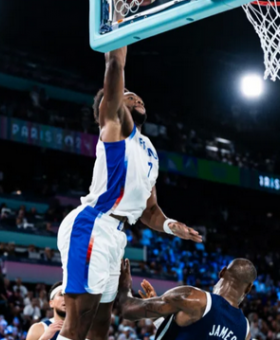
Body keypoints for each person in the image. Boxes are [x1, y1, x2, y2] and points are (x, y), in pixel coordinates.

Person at [56, 42, 202, 340]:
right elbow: (114, 68)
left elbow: (149, 211)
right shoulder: (115, 128)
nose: (136, 98)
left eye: (138, 96)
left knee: (99, 328)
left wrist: (173, 227)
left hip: (117, 235)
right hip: (93, 225)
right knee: (77, 326)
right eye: (128, 96)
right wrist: (118, 35)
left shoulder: (149, 150)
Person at [117, 258, 256, 340]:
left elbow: (127, 310)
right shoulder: (244, 332)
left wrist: (125, 287)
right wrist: (160, 318)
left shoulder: (193, 298)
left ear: (222, 272)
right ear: (249, 288)